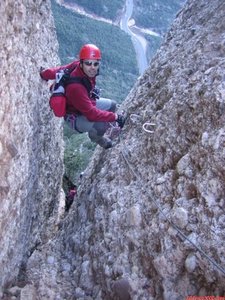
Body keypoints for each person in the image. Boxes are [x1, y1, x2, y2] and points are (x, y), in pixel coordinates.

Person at [40, 44, 125, 149]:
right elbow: (92, 114)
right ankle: (98, 138)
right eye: (88, 63)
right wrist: (115, 117)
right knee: (100, 125)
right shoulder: (76, 88)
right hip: (75, 117)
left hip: (85, 105)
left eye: (95, 63)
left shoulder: (77, 66)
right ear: (81, 63)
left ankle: (104, 128)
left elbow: (59, 70)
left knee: (112, 105)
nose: (92, 67)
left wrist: (44, 74)